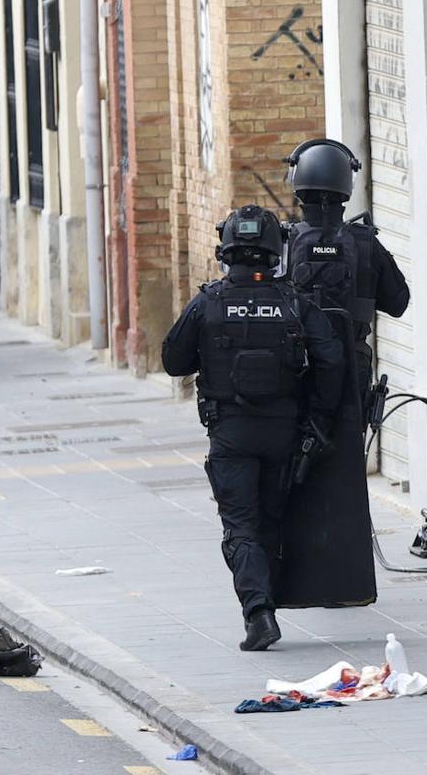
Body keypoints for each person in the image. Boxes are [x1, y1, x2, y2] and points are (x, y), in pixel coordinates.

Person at [161, 205, 345, 652]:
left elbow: (173, 361)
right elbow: (332, 360)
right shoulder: (296, 303)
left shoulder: (208, 302)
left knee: (240, 525)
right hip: (285, 433)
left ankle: (258, 612)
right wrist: (319, 420)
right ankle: (270, 597)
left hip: (231, 432)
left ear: (226, 250)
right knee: (271, 521)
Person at [281, 138, 409, 400]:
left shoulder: (285, 242)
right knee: (348, 439)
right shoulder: (366, 243)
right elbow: (398, 303)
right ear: (345, 187)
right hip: (351, 365)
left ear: (299, 187)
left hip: (296, 364)